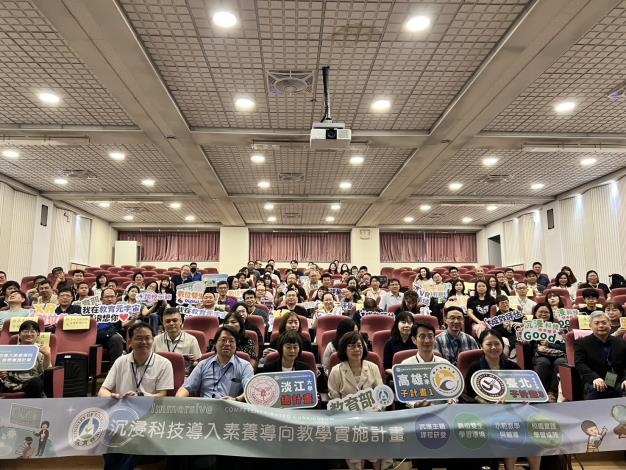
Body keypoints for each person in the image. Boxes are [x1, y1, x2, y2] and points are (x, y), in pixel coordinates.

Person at [98, 321, 174, 470]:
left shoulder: (164, 364)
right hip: (122, 415)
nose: (144, 342)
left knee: (135, 436)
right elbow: (102, 390)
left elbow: (162, 395)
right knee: (108, 436)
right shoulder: (121, 361)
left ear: (153, 339)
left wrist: (141, 395)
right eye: (139, 338)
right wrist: (113, 395)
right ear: (130, 341)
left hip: (149, 416)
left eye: (148, 338)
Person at [465, 330, 541, 470]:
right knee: (512, 431)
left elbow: (525, 391)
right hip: (485, 414)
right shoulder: (475, 368)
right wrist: (485, 402)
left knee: (533, 431)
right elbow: (468, 395)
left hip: (513, 412)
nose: (493, 347)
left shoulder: (512, 367)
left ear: (502, 345)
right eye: (489, 344)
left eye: (497, 343)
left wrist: (525, 400)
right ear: (481, 346)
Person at [327, 331, 392, 470]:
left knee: (379, 435)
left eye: (359, 345)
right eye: (351, 346)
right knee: (353, 436)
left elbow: (381, 395)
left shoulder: (373, 367)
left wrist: (377, 409)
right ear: (344, 349)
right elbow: (335, 401)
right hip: (348, 419)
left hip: (372, 416)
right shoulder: (336, 371)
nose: (356, 349)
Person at [176, 326, 254, 400]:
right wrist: (178, 400)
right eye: (223, 340)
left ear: (236, 345)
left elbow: (250, 392)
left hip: (230, 406)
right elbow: (186, 388)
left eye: (231, 341)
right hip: (206, 406)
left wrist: (236, 399)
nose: (227, 344)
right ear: (215, 343)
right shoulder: (203, 364)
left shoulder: (245, 366)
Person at [574, 311, 626, 399]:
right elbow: (580, 363)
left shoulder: (620, 342)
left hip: (618, 380)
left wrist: (625, 379)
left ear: (610, 325)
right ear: (590, 326)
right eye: (596, 323)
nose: (601, 326)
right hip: (594, 379)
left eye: (604, 323)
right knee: (596, 391)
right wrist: (594, 378)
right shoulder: (582, 343)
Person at [527, 303, 566, 402]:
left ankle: (552, 392)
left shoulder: (557, 327)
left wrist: (550, 344)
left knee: (561, 362)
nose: (543, 314)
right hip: (538, 355)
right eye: (541, 312)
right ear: (535, 313)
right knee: (544, 362)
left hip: (557, 354)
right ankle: (539, 392)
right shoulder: (529, 327)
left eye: (546, 312)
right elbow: (527, 347)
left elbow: (565, 346)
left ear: (550, 314)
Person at [0, 320, 50, 398]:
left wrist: (47, 355)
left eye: (32, 331)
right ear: (19, 334)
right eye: (25, 331)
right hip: (9, 382)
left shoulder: (42, 350)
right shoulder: (10, 350)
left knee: (36, 382)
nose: (29, 334)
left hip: (30, 382)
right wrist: (2, 371)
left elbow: (46, 370)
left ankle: (30, 405)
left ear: (38, 334)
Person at [153, 307, 201, 373]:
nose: (171, 323)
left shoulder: (192, 340)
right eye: (167, 321)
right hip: (161, 374)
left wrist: (194, 363)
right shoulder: (156, 340)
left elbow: (198, 363)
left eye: (175, 320)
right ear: (163, 323)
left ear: (181, 321)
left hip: (183, 375)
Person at [94, 288, 128, 364]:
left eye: (112, 296)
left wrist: (134, 319)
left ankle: (115, 367)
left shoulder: (121, 310)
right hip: (95, 336)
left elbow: (124, 324)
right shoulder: (94, 310)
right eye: (107, 297)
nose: (110, 299)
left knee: (117, 338)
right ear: (101, 299)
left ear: (116, 298)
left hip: (111, 337)